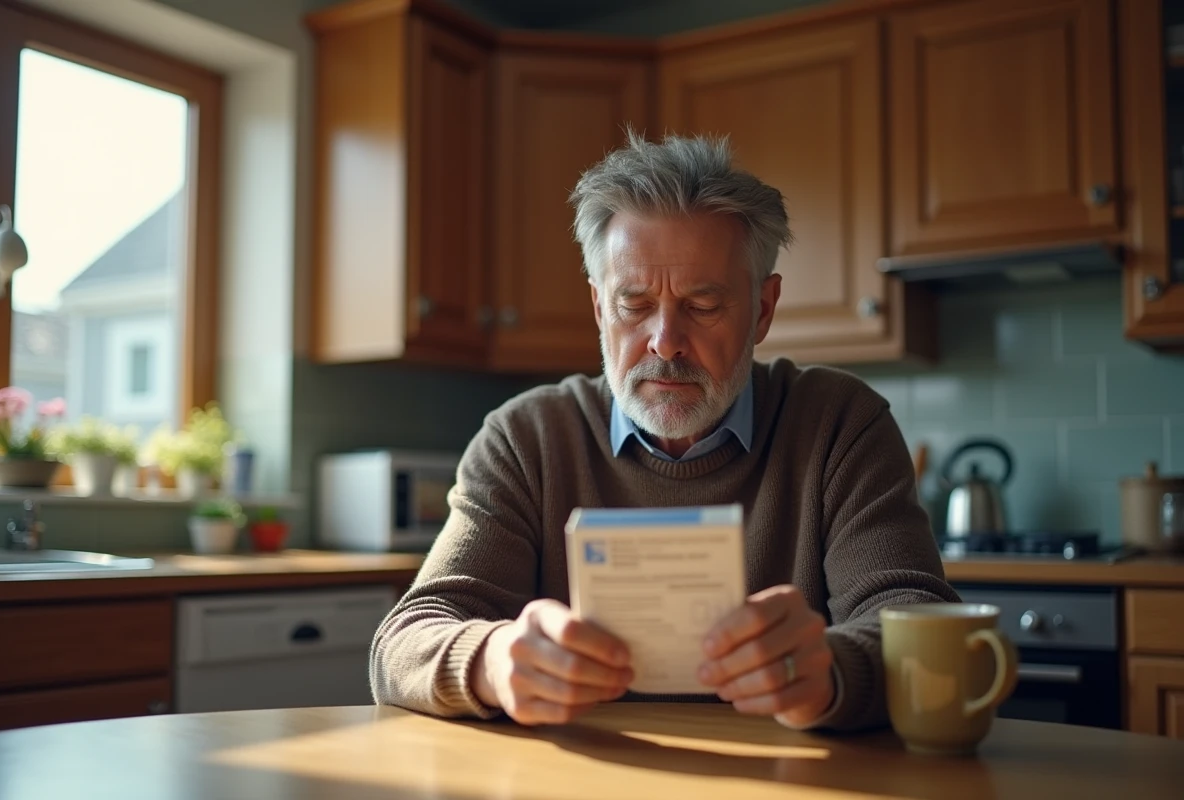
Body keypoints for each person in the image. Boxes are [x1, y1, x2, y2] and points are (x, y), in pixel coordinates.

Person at [370, 130, 959, 732]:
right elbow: (405, 641)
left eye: (703, 306)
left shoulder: (840, 424)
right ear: (600, 307)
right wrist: (493, 661)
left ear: (762, 309)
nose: (665, 341)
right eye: (634, 304)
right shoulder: (526, 438)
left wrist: (833, 670)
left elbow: (922, 621)